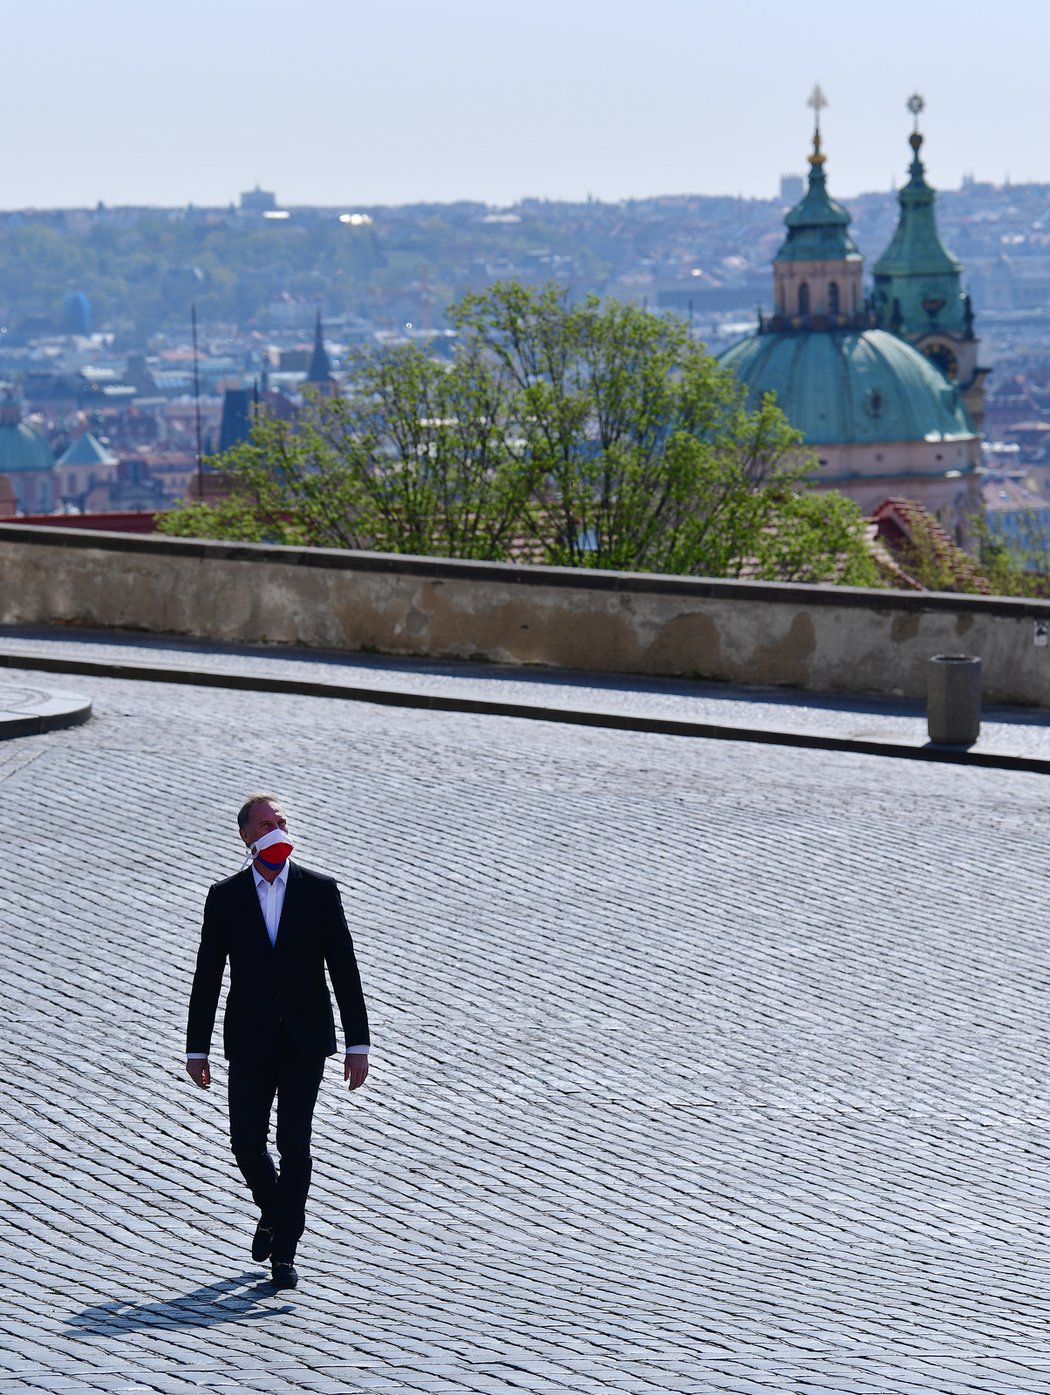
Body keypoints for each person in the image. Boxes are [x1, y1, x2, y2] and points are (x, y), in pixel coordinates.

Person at [186, 793, 369, 1290]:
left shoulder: (319, 890)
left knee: (294, 1143)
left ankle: (285, 1252)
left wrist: (359, 1044)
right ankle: (275, 1211)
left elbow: (344, 969)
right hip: (248, 1040)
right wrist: (195, 1048)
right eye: (265, 823)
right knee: (245, 1142)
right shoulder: (225, 896)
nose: (276, 829)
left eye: (281, 821)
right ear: (246, 835)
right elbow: (208, 974)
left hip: (305, 1042)